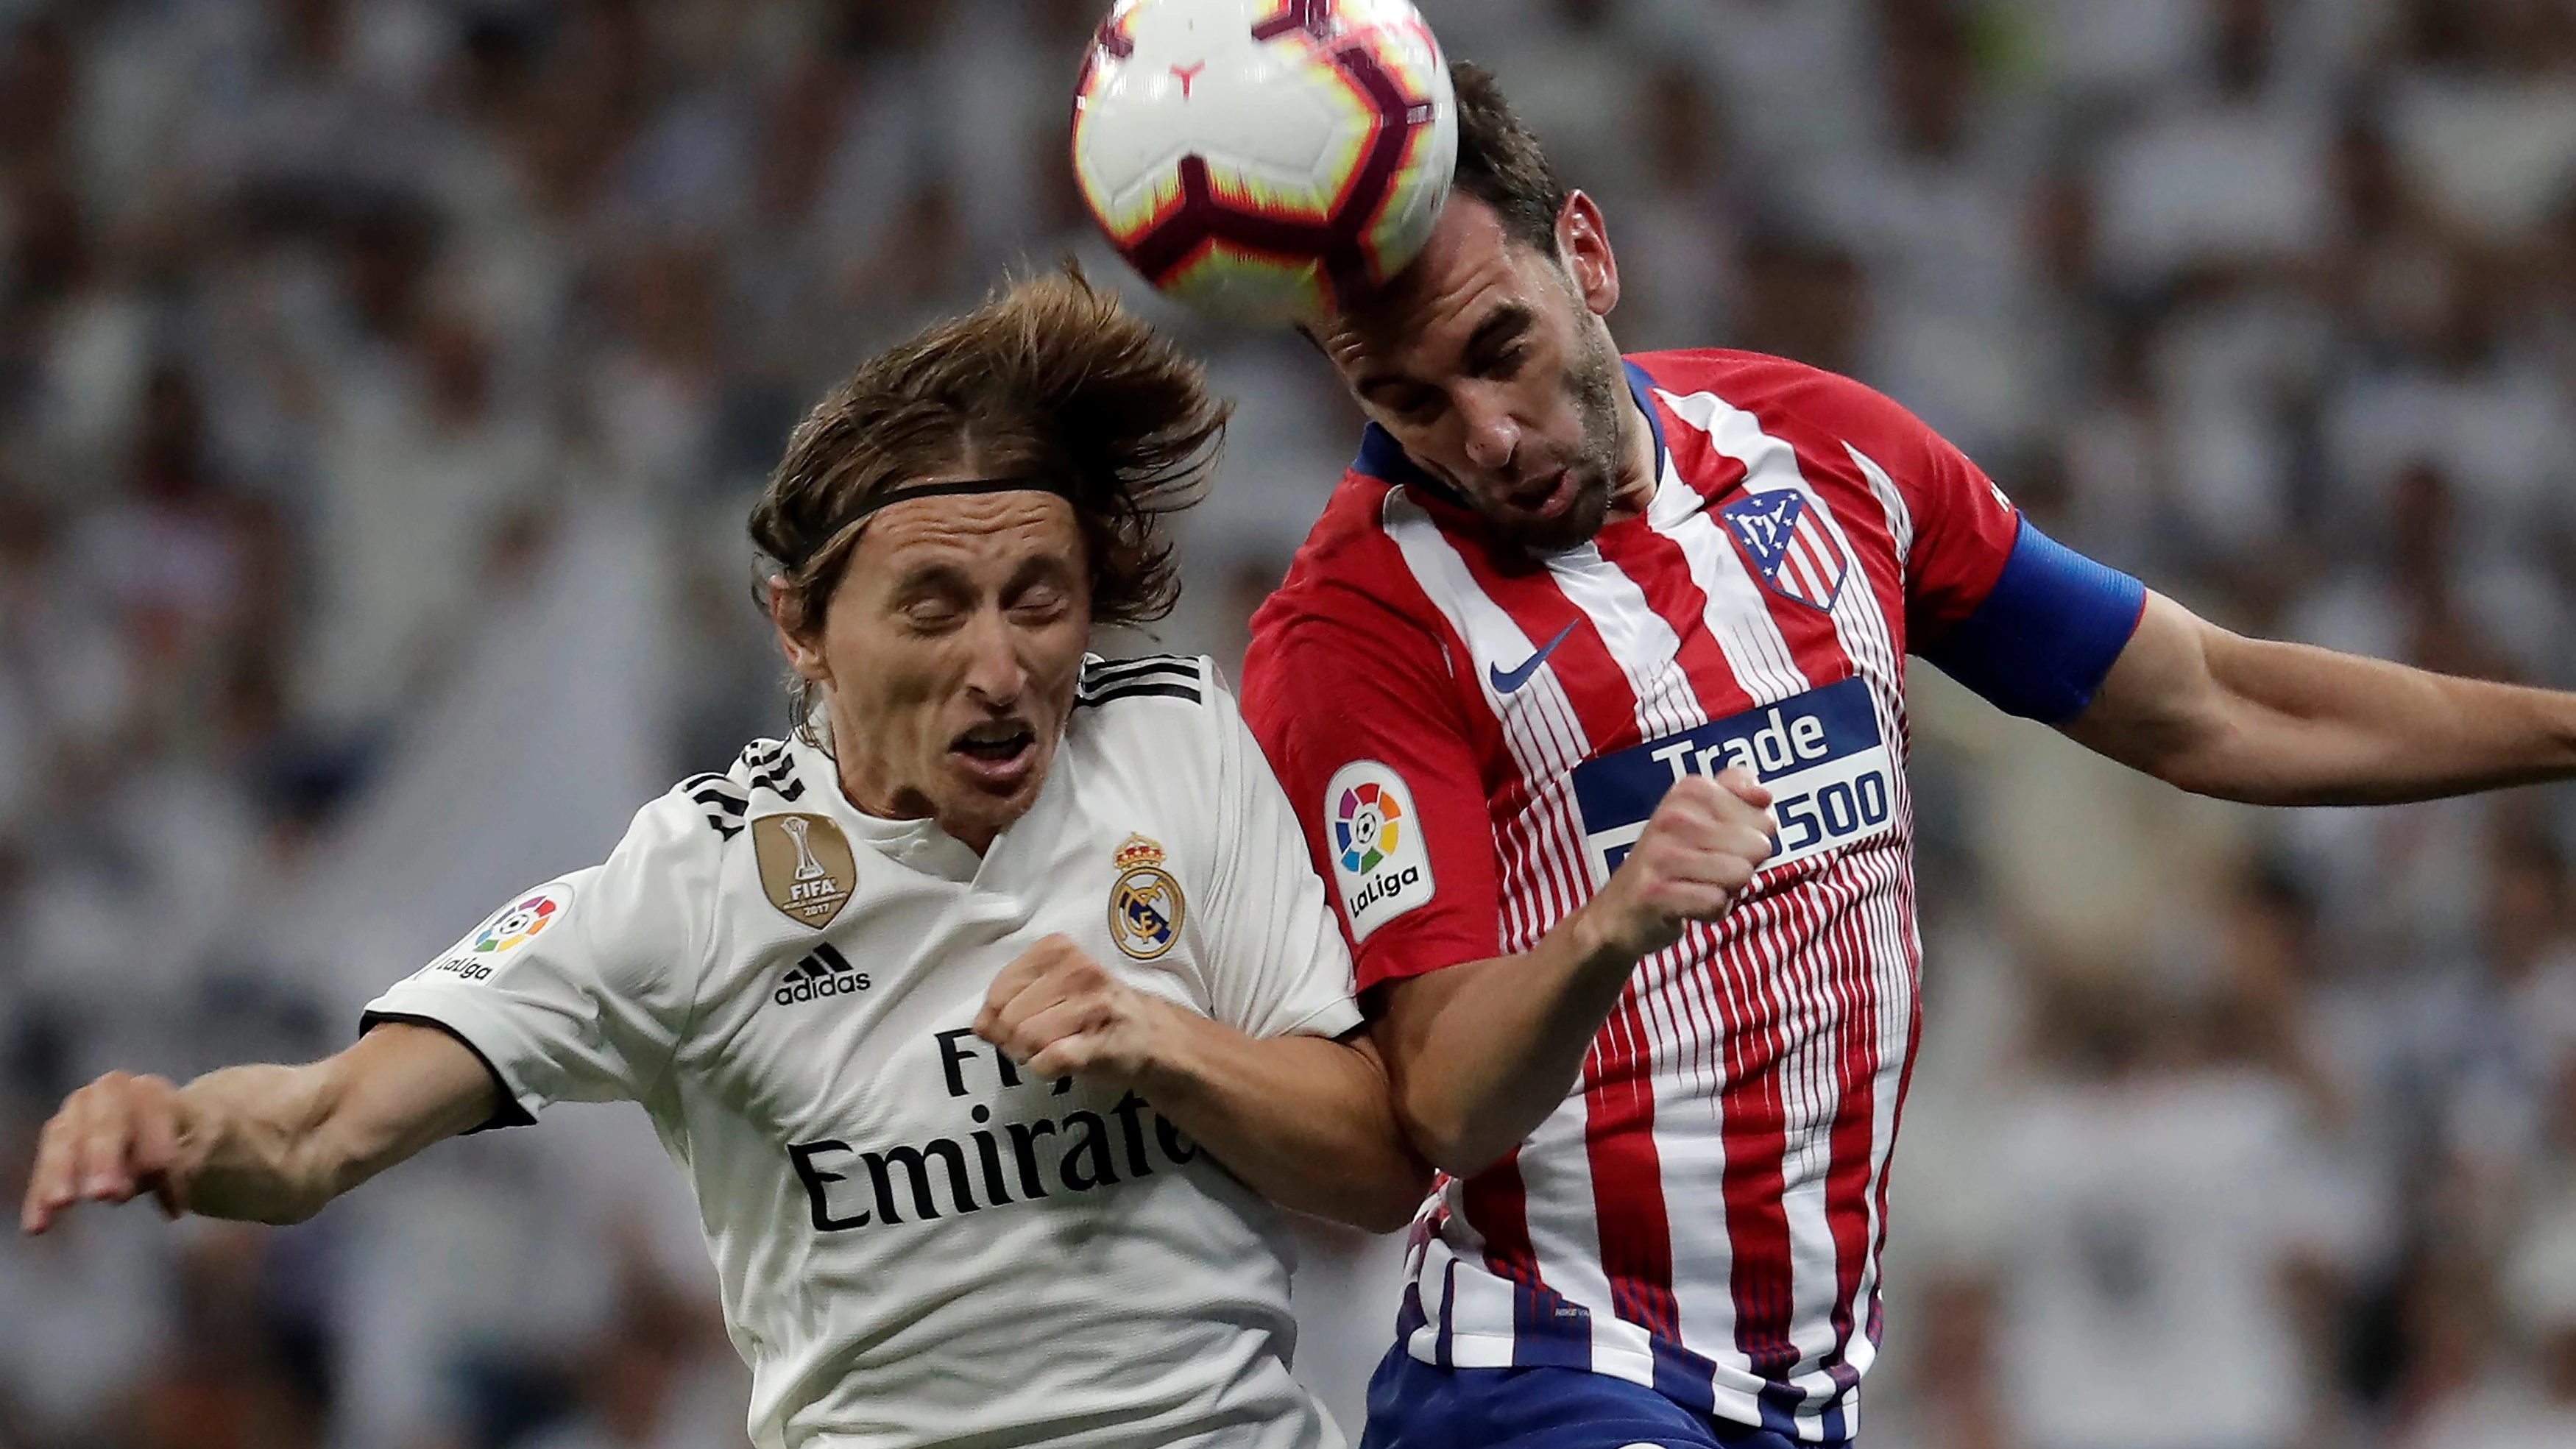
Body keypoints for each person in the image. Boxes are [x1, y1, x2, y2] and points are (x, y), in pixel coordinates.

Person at [1238, 63, 2576, 1449]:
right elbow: (1444, 1102)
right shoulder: (1356, 631)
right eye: (1411, 403)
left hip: (1799, 1391)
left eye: (1499, 348)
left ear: (1587, 249)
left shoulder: (1819, 451)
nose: (1487, 436)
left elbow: (2217, 703)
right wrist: (1610, 928)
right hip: (1551, 1374)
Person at [22, 273, 1498, 1449]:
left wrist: (1162, 1044)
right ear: (799, 626)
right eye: (934, 607)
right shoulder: (697, 886)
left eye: (1038, 600)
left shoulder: (1178, 750)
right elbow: (324, 1124)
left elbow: (1375, 1164)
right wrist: (182, 1132)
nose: (1001, 665)